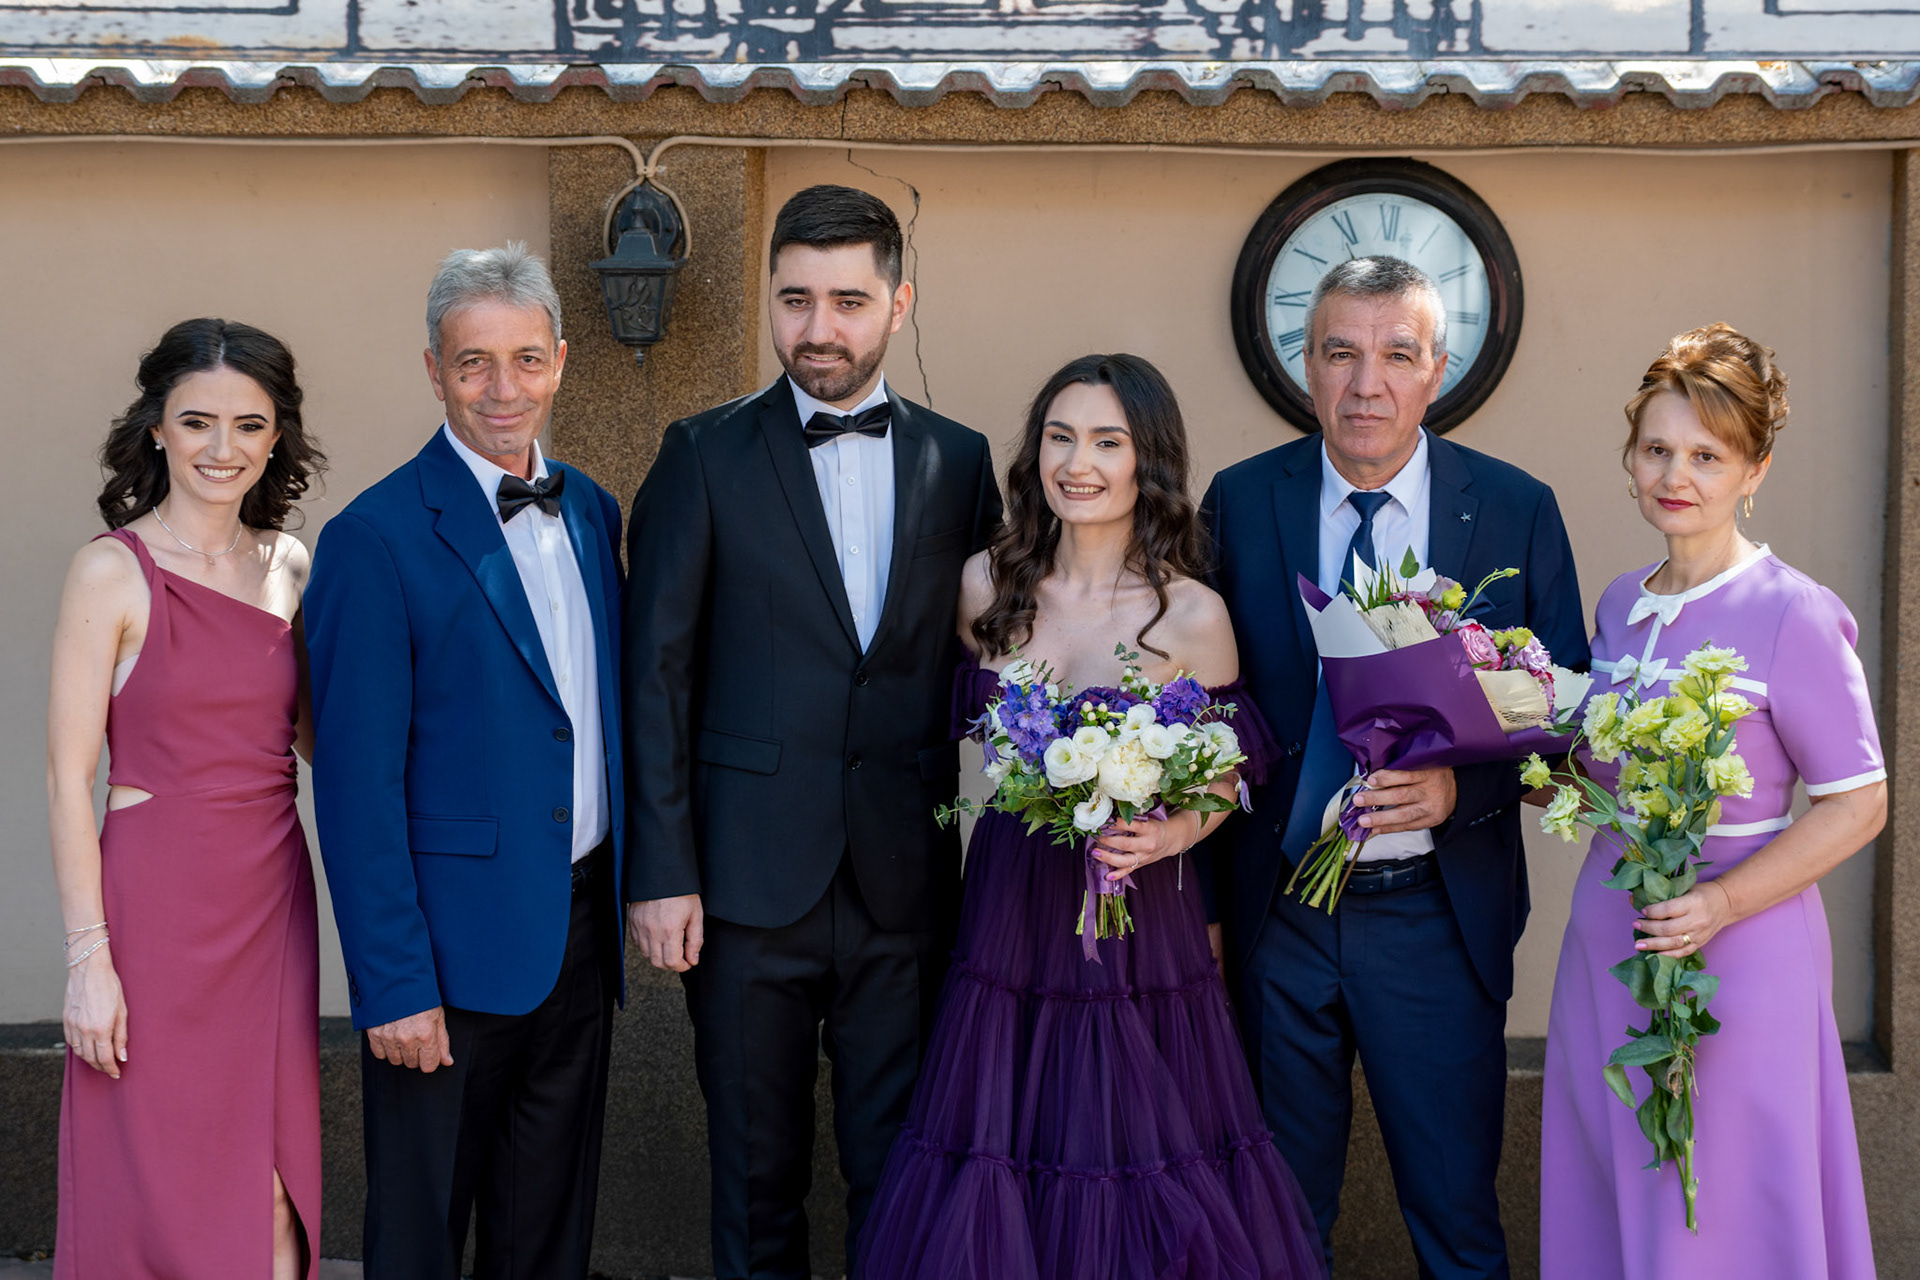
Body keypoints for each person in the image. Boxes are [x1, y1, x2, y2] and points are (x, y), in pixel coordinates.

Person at [855, 353, 1328, 1280]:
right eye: (1060, 437)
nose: (1077, 463)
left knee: (1131, 1146)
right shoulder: (984, 587)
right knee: (1004, 1127)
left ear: (1147, 460)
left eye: (1107, 442)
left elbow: (1230, 771)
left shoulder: (1191, 615)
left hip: (1137, 907)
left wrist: (1171, 833)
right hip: (1011, 901)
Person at [624, 183, 1002, 1279]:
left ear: (898, 304)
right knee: (754, 1177)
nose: (818, 328)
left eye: (847, 300)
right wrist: (663, 871)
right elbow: (655, 674)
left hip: (905, 884)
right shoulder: (701, 453)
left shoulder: (960, 460)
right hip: (743, 887)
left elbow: (992, 655)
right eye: (795, 300)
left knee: (902, 1173)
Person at [1200, 255, 1588, 1278]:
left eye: (1397, 355)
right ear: (1307, 366)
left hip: (1436, 917)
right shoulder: (1240, 501)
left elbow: (1567, 718)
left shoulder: (1514, 508)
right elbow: (1205, 711)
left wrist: (1464, 790)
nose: (1365, 384)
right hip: (1280, 915)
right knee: (1279, 1227)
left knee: (1458, 1228)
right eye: (1341, 353)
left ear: (1437, 371)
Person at [304, 244, 627, 1280]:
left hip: (577, 936)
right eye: (473, 361)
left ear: (561, 362)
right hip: (441, 960)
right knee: (421, 1237)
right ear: (434, 370)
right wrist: (393, 983)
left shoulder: (592, 511)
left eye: (526, 359)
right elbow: (355, 787)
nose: (502, 388)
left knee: (548, 1237)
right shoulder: (374, 537)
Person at [1539, 324, 1881, 1278]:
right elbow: (1592, 778)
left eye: (1706, 455)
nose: (1674, 475)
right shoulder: (1618, 605)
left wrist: (1722, 903)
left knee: (1722, 1198)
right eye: (1656, 449)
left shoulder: (1793, 612)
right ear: (1630, 458)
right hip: (1611, 939)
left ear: (1754, 469)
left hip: (1743, 950)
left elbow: (1860, 804)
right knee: (1616, 1174)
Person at [47, 317, 326, 1279]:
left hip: (271, 902)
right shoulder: (109, 570)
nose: (222, 448)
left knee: (271, 1183)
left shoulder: (291, 566)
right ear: (157, 428)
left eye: (249, 424)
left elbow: (324, 745)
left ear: (277, 436)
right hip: (153, 914)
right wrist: (88, 960)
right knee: (156, 1181)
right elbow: (66, 778)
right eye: (198, 421)